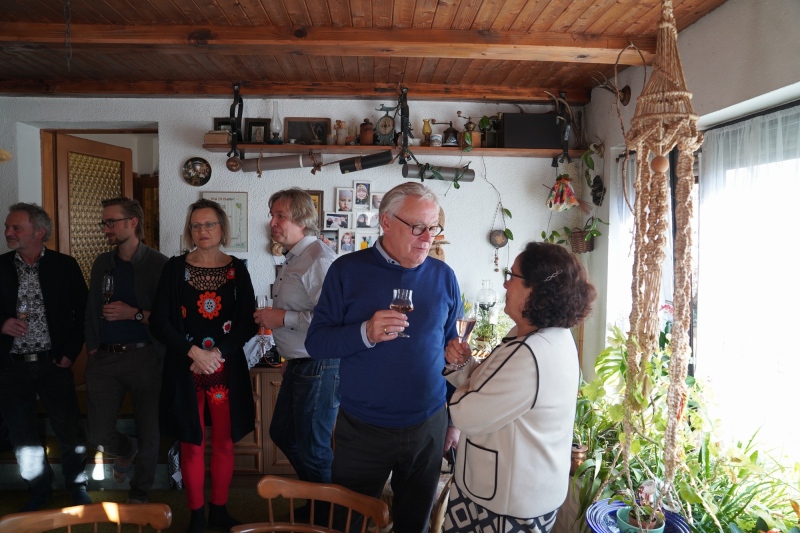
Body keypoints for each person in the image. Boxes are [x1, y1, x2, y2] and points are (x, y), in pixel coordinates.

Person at [306, 182, 460, 533]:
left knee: (415, 523)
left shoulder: (443, 276)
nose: (427, 237)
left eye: (433, 227)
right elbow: (316, 343)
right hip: (362, 428)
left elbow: (451, 347)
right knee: (349, 522)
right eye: (417, 227)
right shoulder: (347, 271)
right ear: (386, 222)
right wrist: (365, 333)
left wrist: (455, 420)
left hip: (428, 426)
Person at [442, 242, 597, 533]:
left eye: (512, 275)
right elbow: (498, 392)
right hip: (526, 494)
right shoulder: (551, 338)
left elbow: (465, 415)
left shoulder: (531, 353)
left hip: (503, 506)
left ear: (535, 290)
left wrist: (463, 391)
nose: (505, 282)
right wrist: (465, 366)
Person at [150, 199, 256, 533]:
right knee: (190, 443)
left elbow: (246, 323)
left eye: (209, 224)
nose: (202, 231)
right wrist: (194, 353)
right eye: (196, 225)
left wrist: (216, 354)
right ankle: (196, 516)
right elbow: (160, 322)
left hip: (225, 369)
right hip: (187, 369)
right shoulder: (174, 267)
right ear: (189, 230)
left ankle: (220, 512)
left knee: (224, 444)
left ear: (223, 228)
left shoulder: (237, 269)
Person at [0, 202, 90, 511]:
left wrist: (69, 353)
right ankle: (39, 491)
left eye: (16, 228)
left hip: (54, 363)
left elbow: (84, 314)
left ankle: (77, 485)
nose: (8, 232)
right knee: (22, 434)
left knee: (69, 430)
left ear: (40, 232)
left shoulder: (65, 265)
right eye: (7, 227)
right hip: (11, 367)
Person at [84, 197, 168, 504]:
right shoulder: (101, 263)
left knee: (150, 434)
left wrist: (133, 313)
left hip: (145, 357)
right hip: (105, 358)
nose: (105, 228)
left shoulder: (159, 264)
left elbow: (167, 319)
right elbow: (91, 310)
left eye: (111, 222)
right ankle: (125, 449)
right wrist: (93, 349)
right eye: (104, 222)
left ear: (133, 223)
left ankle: (140, 494)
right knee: (96, 435)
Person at [253, 188, 339, 490]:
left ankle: (332, 518)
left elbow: (334, 319)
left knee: (313, 448)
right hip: (302, 362)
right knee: (284, 433)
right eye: (272, 215)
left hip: (319, 362)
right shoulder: (296, 257)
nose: (272, 222)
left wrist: (281, 318)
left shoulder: (318, 258)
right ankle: (319, 505)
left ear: (302, 220)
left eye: (280, 216)